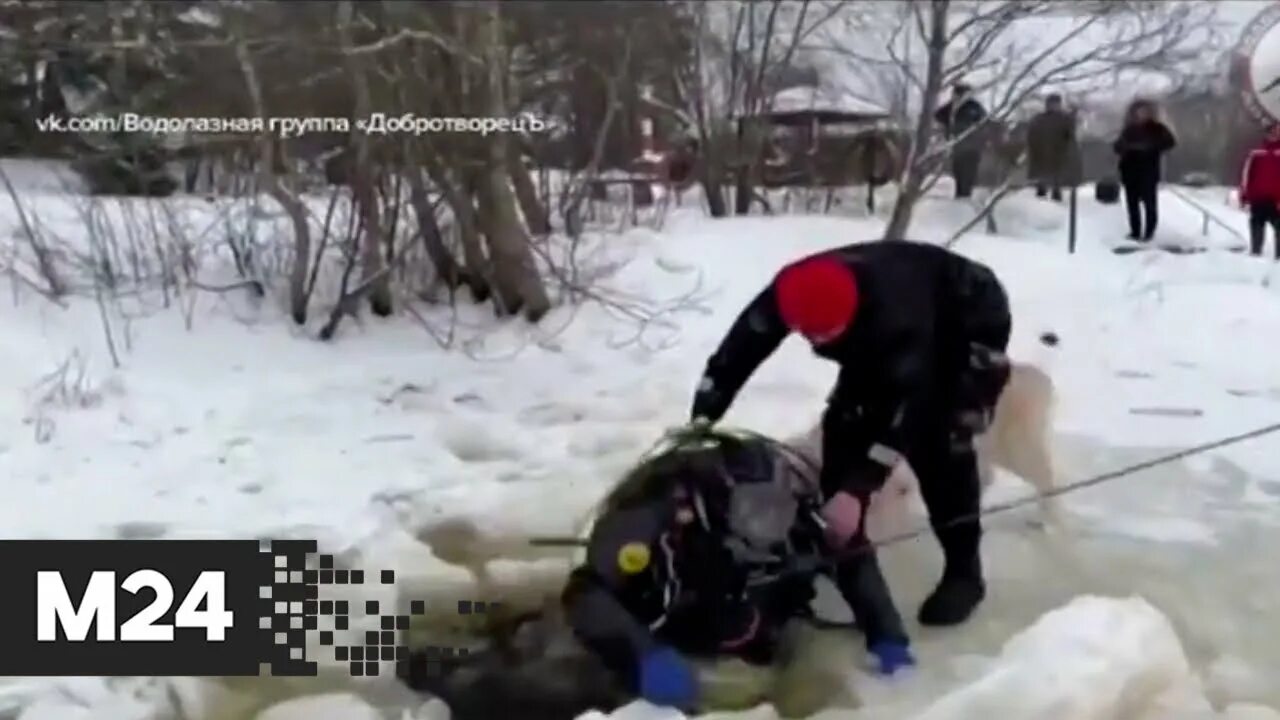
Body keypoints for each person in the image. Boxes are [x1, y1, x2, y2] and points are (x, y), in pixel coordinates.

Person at [689, 241, 1013, 638]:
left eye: (826, 335)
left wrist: (859, 489)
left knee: (940, 440)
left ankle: (965, 574)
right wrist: (705, 413)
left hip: (967, 316)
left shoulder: (900, 322)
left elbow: (905, 409)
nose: (817, 345)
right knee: (844, 429)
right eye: (809, 336)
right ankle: (852, 565)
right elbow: (737, 353)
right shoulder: (789, 292)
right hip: (883, 327)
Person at [561, 428, 915, 712]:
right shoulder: (649, 514)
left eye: (776, 506)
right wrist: (641, 654)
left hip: (749, 620)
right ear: (718, 503)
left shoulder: (789, 505)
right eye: (753, 510)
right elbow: (586, 593)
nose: (769, 520)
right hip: (669, 626)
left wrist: (885, 630)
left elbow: (850, 555)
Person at [1112, 99, 1176, 242]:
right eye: (1139, 112)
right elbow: (1117, 147)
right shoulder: (1129, 130)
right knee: (1132, 203)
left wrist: (1151, 147)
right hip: (1130, 170)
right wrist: (1124, 147)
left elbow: (1170, 143)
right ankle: (1135, 231)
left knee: (1149, 203)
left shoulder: (1157, 128)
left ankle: (1149, 232)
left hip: (1148, 170)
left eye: (1145, 112)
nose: (1141, 115)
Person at [934, 82, 989, 199]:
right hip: (956, 145)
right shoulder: (951, 107)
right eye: (954, 94)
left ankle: (965, 196)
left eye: (957, 93)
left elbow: (984, 123)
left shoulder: (974, 106)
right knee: (958, 171)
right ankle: (960, 195)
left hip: (972, 147)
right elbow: (938, 115)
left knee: (968, 173)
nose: (954, 96)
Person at [1026, 93, 1077, 202]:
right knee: (1041, 178)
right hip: (1041, 151)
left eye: (1056, 104)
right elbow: (1032, 134)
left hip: (1058, 151)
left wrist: (1073, 116)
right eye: (1052, 104)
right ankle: (1041, 195)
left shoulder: (1064, 118)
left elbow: (1070, 134)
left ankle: (1056, 195)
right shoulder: (1039, 119)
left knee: (1056, 178)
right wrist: (1035, 147)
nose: (1054, 106)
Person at [1240, 124, 1280, 260]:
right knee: (1257, 227)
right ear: (1267, 133)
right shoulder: (1256, 152)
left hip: (1277, 200)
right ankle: (1255, 256)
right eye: (1272, 132)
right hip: (1258, 197)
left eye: (1278, 132)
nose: (1275, 134)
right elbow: (1246, 175)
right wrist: (1244, 196)